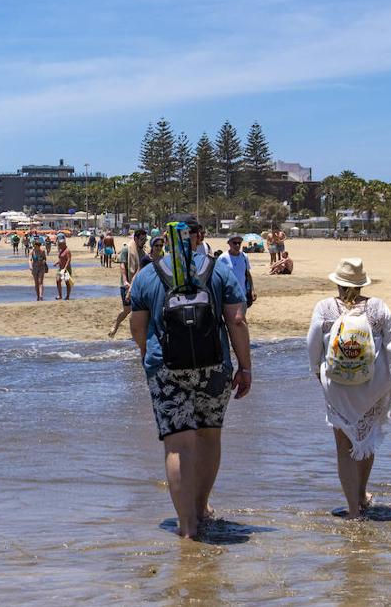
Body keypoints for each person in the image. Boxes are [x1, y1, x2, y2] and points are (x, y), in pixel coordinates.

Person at [129, 215, 252, 540]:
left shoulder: (147, 274)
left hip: (166, 367)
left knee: (177, 443)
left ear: (168, 239)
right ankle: (201, 507)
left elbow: (138, 327)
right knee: (209, 437)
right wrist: (245, 366)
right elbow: (237, 320)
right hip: (214, 366)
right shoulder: (219, 269)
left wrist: (149, 358)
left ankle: (188, 527)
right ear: (199, 237)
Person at [306, 258, 391, 519]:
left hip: (338, 388)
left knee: (343, 446)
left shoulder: (324, 308)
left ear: (338, 284)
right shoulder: (377, 308)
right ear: (362, 282)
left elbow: (312, 344)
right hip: (372, 388)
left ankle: (354, 510)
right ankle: (362, 494)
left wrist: (316, 371)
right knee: (366, 439)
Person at [109, 230, 148, 337]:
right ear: (135, 239)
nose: (144, 242)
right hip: (125, 285)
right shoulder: (127, 249)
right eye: (142, 239)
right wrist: (126, 280)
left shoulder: (143, 253)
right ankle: (116, 325)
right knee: (127, 310)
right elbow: (122, 266)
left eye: (145, 239)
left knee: (142, 309)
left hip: (138, 286)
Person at [218, 235, 255, 308]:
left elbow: (248, 274)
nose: (237, 245)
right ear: (229, 243)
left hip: (242, 293)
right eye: (235, 243)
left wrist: (252, 290)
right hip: (228, 293)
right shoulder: (222, 258)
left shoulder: (244, 256)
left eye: (239, 243)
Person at [54, 234, 73, 300]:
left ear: (64, 244)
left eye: (60, 244)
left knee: (67, 282)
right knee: (58, 280)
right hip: (60, 269)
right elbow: (61, 259)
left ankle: (67, 296)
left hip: (66, 269)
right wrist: (57, 262)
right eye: (59, 244)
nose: (59, 246)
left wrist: (65, 268)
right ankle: (60, 295)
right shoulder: (61, 250)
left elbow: (68, 260)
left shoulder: (67, 250)